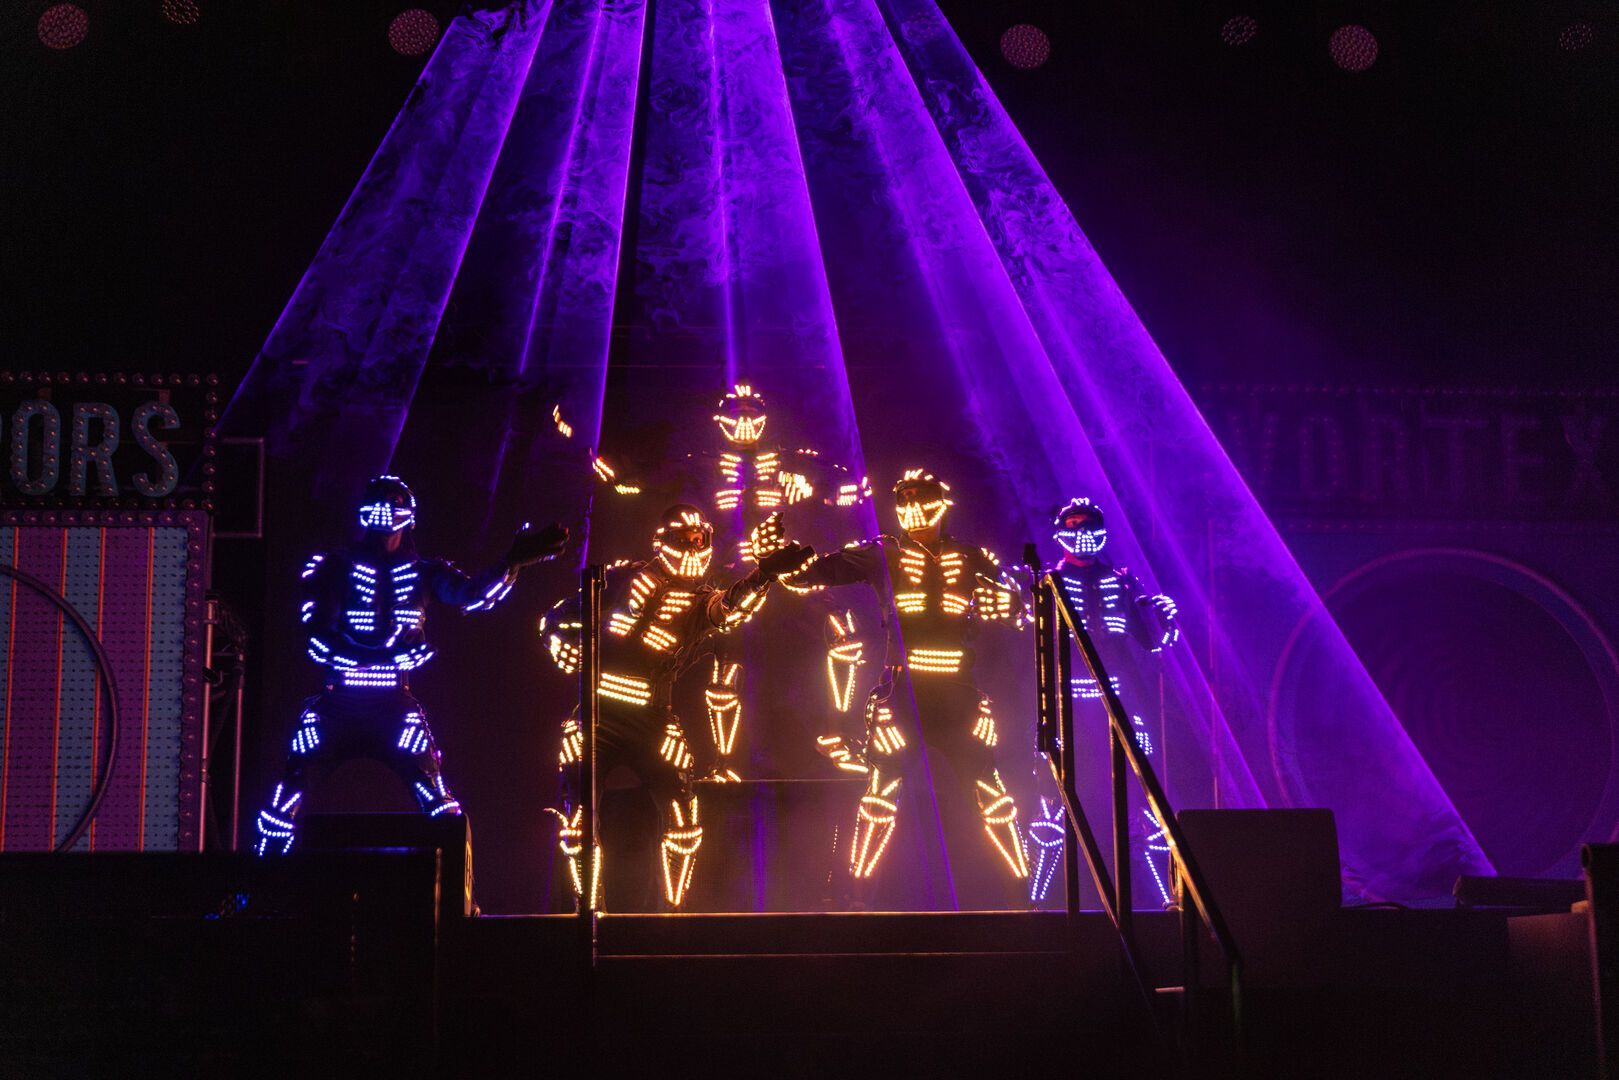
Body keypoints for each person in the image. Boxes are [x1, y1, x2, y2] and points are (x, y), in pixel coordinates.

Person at [253, 475, 568, 856]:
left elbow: (472, 596)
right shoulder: (332, 567)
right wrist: (384, 655)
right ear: (363, 511)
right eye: (379, 500)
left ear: (411, 516)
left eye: (395, 500)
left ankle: (454, 895)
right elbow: (317, 636)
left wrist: (512, 562)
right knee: (287, 794)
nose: (386, 509)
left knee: (438, 801)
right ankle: (254, 893)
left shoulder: (425, 572)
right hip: (337, 703)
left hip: (393, 705)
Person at [540, 504, 812, 908]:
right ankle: (585, 909)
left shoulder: (701, 601)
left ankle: (673, 910)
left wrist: (764, 575)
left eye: (698, 539)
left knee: (683, 813)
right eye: (682, 539)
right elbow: (560, 614)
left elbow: (729, 608)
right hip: (597, 712)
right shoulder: (620, 578)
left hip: (653, 717)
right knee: (578, 812)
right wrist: (558, 638)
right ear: (661, 541)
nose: (691, 547)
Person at [796, 470, 1030, 904]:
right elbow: (817, 572)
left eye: (923, 499)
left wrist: (1012, 601)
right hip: (902, 694)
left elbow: (1020, 608)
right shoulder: (884, 552)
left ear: (944, 503)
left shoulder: (973, 557)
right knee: (881, 793)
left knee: (992, 791)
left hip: (959, 693)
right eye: (904, 500)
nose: (913, 509)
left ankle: (1024, 898)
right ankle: (857, 897)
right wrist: (784, 562)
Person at [1037, 497, 1180, 905]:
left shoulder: (1123, 582)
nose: (1080, 532)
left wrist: (1166, 621)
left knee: (1141, 798)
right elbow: (1026, 645)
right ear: (1061, 529)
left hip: (1119, 704)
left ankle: (1164, 896)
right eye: (1073, 523)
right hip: (1067, 706)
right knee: (1053, 803)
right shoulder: (1047, 584)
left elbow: (1152, 642)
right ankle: (1039, 901)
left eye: (1088, 524)